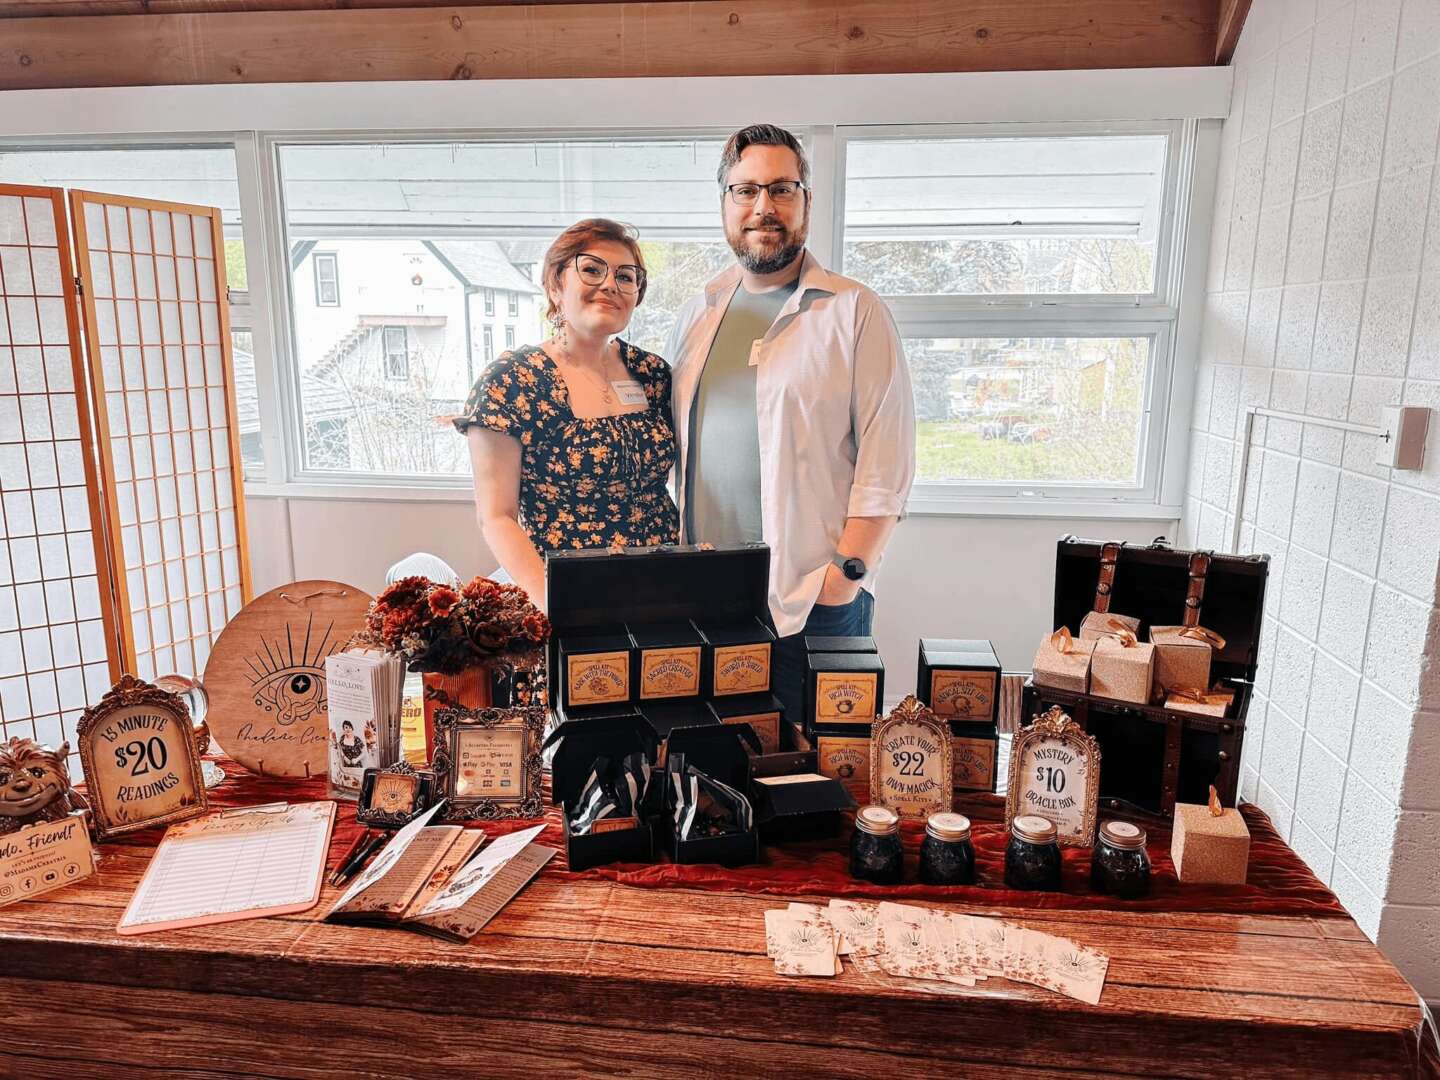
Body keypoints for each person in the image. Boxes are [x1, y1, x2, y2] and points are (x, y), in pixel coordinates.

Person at [666, 124, 916, 725]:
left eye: (781, 189)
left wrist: (845, 577)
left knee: (820, 769)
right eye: (745, 190)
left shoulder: (853, 311)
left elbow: (887, 462)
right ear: (725, 201)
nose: (764, 207)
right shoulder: (698, 314)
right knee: (714, 763)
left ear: (806, 200)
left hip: (814, 604)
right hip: (708, 604)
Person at [454, 219, 679, 609]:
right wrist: (550, 603)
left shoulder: (653, 374)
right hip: (568, 599)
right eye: (591, 269)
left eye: (626, 277)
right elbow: (497, 517)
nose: (610, 285)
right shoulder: (512, 382)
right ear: (556, 285)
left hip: (662, 593)